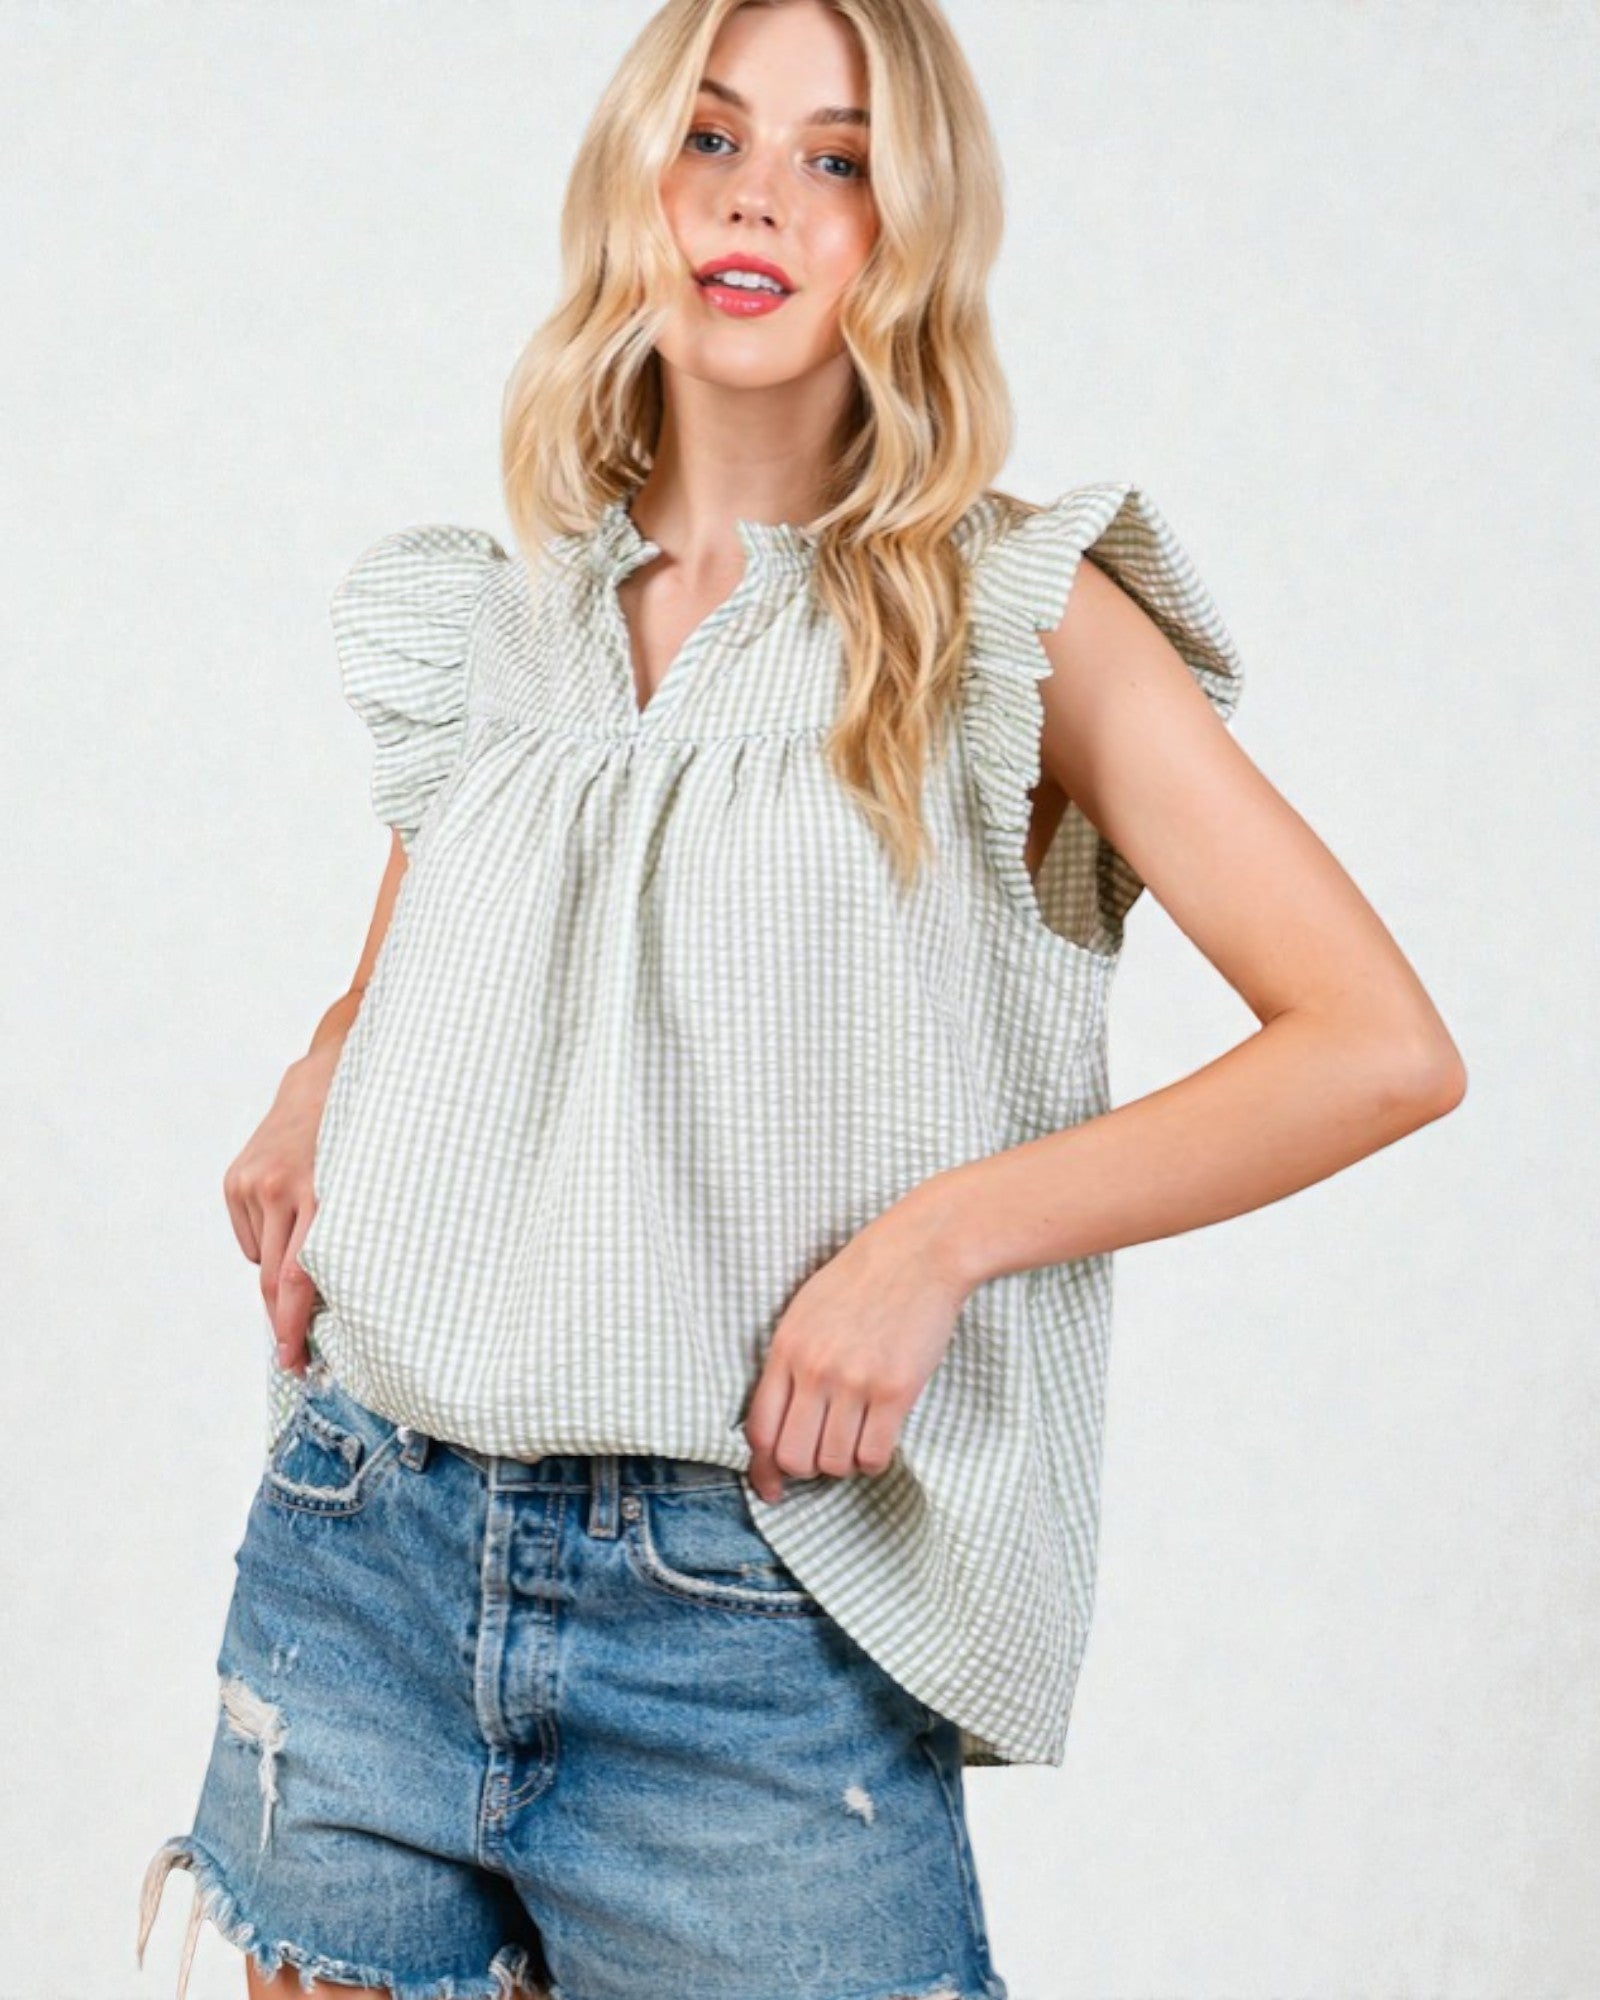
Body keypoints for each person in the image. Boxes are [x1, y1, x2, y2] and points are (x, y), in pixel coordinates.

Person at [135, 1, 1467, 1996]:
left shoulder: (1008, 616)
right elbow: (434, 960)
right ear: (634, 187)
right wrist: (324, 1068)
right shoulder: (509, 612)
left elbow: (1373, 1045)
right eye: (711, 138)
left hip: (739, 1624)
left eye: (836, 158)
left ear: (906, 230)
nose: (759, 197)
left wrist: (936, 1244)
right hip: (367, 1539)